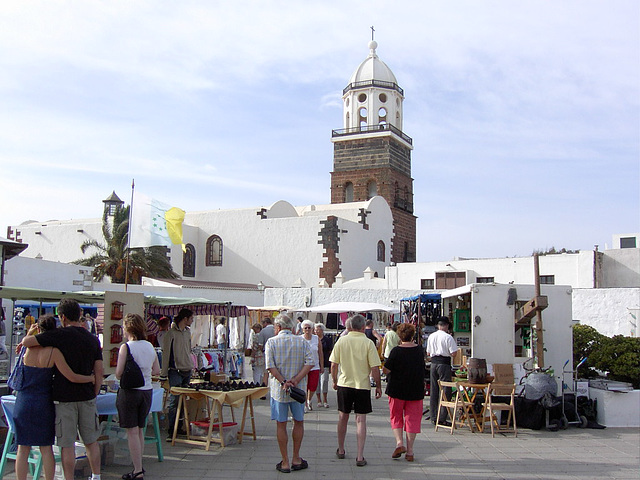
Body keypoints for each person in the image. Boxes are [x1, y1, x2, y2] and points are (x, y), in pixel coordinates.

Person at [20, 298, 103, 480]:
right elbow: (99, 369)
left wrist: (31, 332)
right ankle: (96, 476)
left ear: (62, 317)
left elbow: (27, 342)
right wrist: (95, 390)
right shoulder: (92, 339)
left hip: (64, 398)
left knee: (67, 444)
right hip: (87, 396)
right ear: (80, 315)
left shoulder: (58, 336)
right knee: (91, 441)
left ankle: (69, 478)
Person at [329, 314, 382, 467]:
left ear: (350, 326)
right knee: (361, 420)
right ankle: (360, 455)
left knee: (342, 417)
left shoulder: (342, 340)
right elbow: (374, 367)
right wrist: (378, 386)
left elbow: (333, 364)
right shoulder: (368, 343)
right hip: (362, 385)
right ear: (363, 327)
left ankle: (341, 448)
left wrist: (334, 380)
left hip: (345, 383)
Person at [265, 314, 314, 473]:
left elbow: (270, 366)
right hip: (298, 390)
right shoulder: (301, 341)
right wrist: (295, 379)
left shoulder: (271, 342)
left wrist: (283, 381)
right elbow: (309, 363)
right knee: (298, 421)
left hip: (279, 390)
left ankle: (285, 461)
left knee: (281, 423)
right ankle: (296, 457)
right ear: (292, 327)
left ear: (278, 327)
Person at [115, 313, 160, 480]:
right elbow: (156, 370)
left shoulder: (126, 347)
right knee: (140, 430)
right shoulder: (149, 346)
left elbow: (119, 373)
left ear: (127, 328)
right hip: (147, 391)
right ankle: (139, 465)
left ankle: (137, 469)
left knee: (132, 432)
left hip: (130, 392)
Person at [382, 323, 424, 462]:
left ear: (399, 336)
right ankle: (410, 451)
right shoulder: (419, 350)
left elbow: (386, 370)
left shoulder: (395, 351)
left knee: (396, 416)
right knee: (412, 419)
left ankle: (399, 443)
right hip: (415, 389)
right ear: (412, 335)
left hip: (397, 389)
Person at [160, 308, 194, 439]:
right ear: (185, 319)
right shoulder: (170, 334)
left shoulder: (187, 332)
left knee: (183, 400)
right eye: (191, 318)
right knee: (175, 400)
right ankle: (171, 430)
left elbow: (188, 350)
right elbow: (166, 355)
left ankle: (179, 428)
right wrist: (163, 374)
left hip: (187, 369)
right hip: (175, 370)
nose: (192, 321)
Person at [426, 317, 458, 426]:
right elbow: (453, 353)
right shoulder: (448, 337)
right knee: (445, 389)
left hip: (434, 363)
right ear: (447, 325)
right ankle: (442, 417)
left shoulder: (431, 336)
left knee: (434, 389)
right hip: (444, 363)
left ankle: (434, 415)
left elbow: (429, 353)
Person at [300, 320, 323, 411]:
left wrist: (322, 365)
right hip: (303, 366)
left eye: (309, 327)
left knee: (313, 385)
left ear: (312, 329)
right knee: (304, 386)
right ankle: (305, 403)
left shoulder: (316, 338)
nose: (307, 329)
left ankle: (309, 400)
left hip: (315, 366)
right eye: (305, 328)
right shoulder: (300, 339)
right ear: (302, 329)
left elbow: (320, 353)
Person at [314, 323, 333, 408]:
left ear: (322, 330)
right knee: (317, 383)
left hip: (325, 363)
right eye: (315, 330)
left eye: (318, 329)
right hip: (315, 364)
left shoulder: (327, 340)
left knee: (325, 381)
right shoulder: (313, 339)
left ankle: (325, 399)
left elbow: (330, 352)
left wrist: (330, 366)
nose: (316, 331)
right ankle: (319, 400)